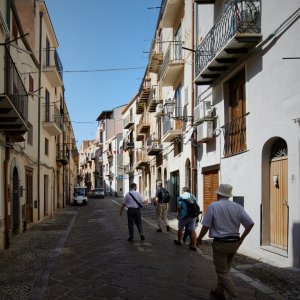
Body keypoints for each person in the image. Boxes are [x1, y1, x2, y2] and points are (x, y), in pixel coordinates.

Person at [196, 184, 254, 300]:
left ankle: (236, 296)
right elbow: (250, 223)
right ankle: (219, 291)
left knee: (222, 272)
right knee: (225, 269)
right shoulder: (237, 207)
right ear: (229, 195)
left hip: (221, 244)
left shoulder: (213, 206)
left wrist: (199, 238)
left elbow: (206, 226)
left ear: (218, 194)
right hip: (234, 243)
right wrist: (241, 239)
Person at [174, 187, 198, 251]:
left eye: (182, 190)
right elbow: (197, 206)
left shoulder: (181, 196)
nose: (181, 192)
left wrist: (178, 215)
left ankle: (179, 241)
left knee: (180, 228)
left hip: (184, 216)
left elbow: (179, 206)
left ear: (184, 191)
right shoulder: (193, 196)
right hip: (193, 216)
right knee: (192, 229)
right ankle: (194, 245)